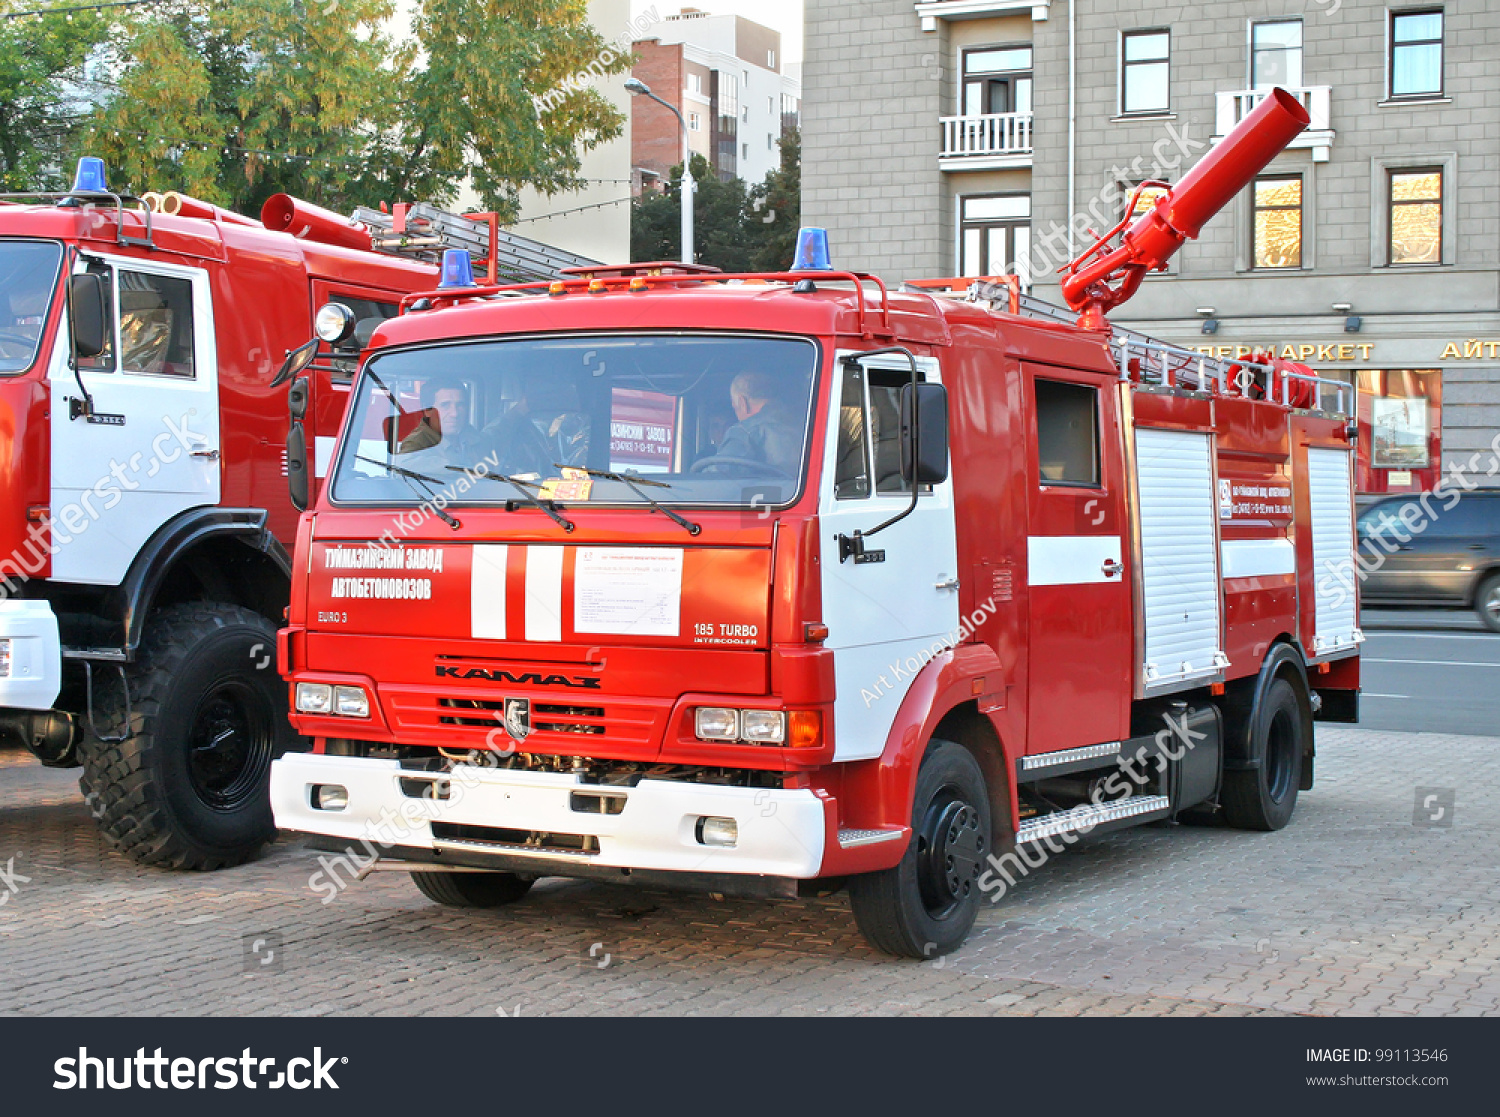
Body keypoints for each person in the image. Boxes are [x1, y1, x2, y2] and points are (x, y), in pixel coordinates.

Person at [711, 371, 802, 475]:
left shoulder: (744, 432)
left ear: (742, 402)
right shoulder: (806, 422)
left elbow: (718, 477)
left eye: (734, 407)